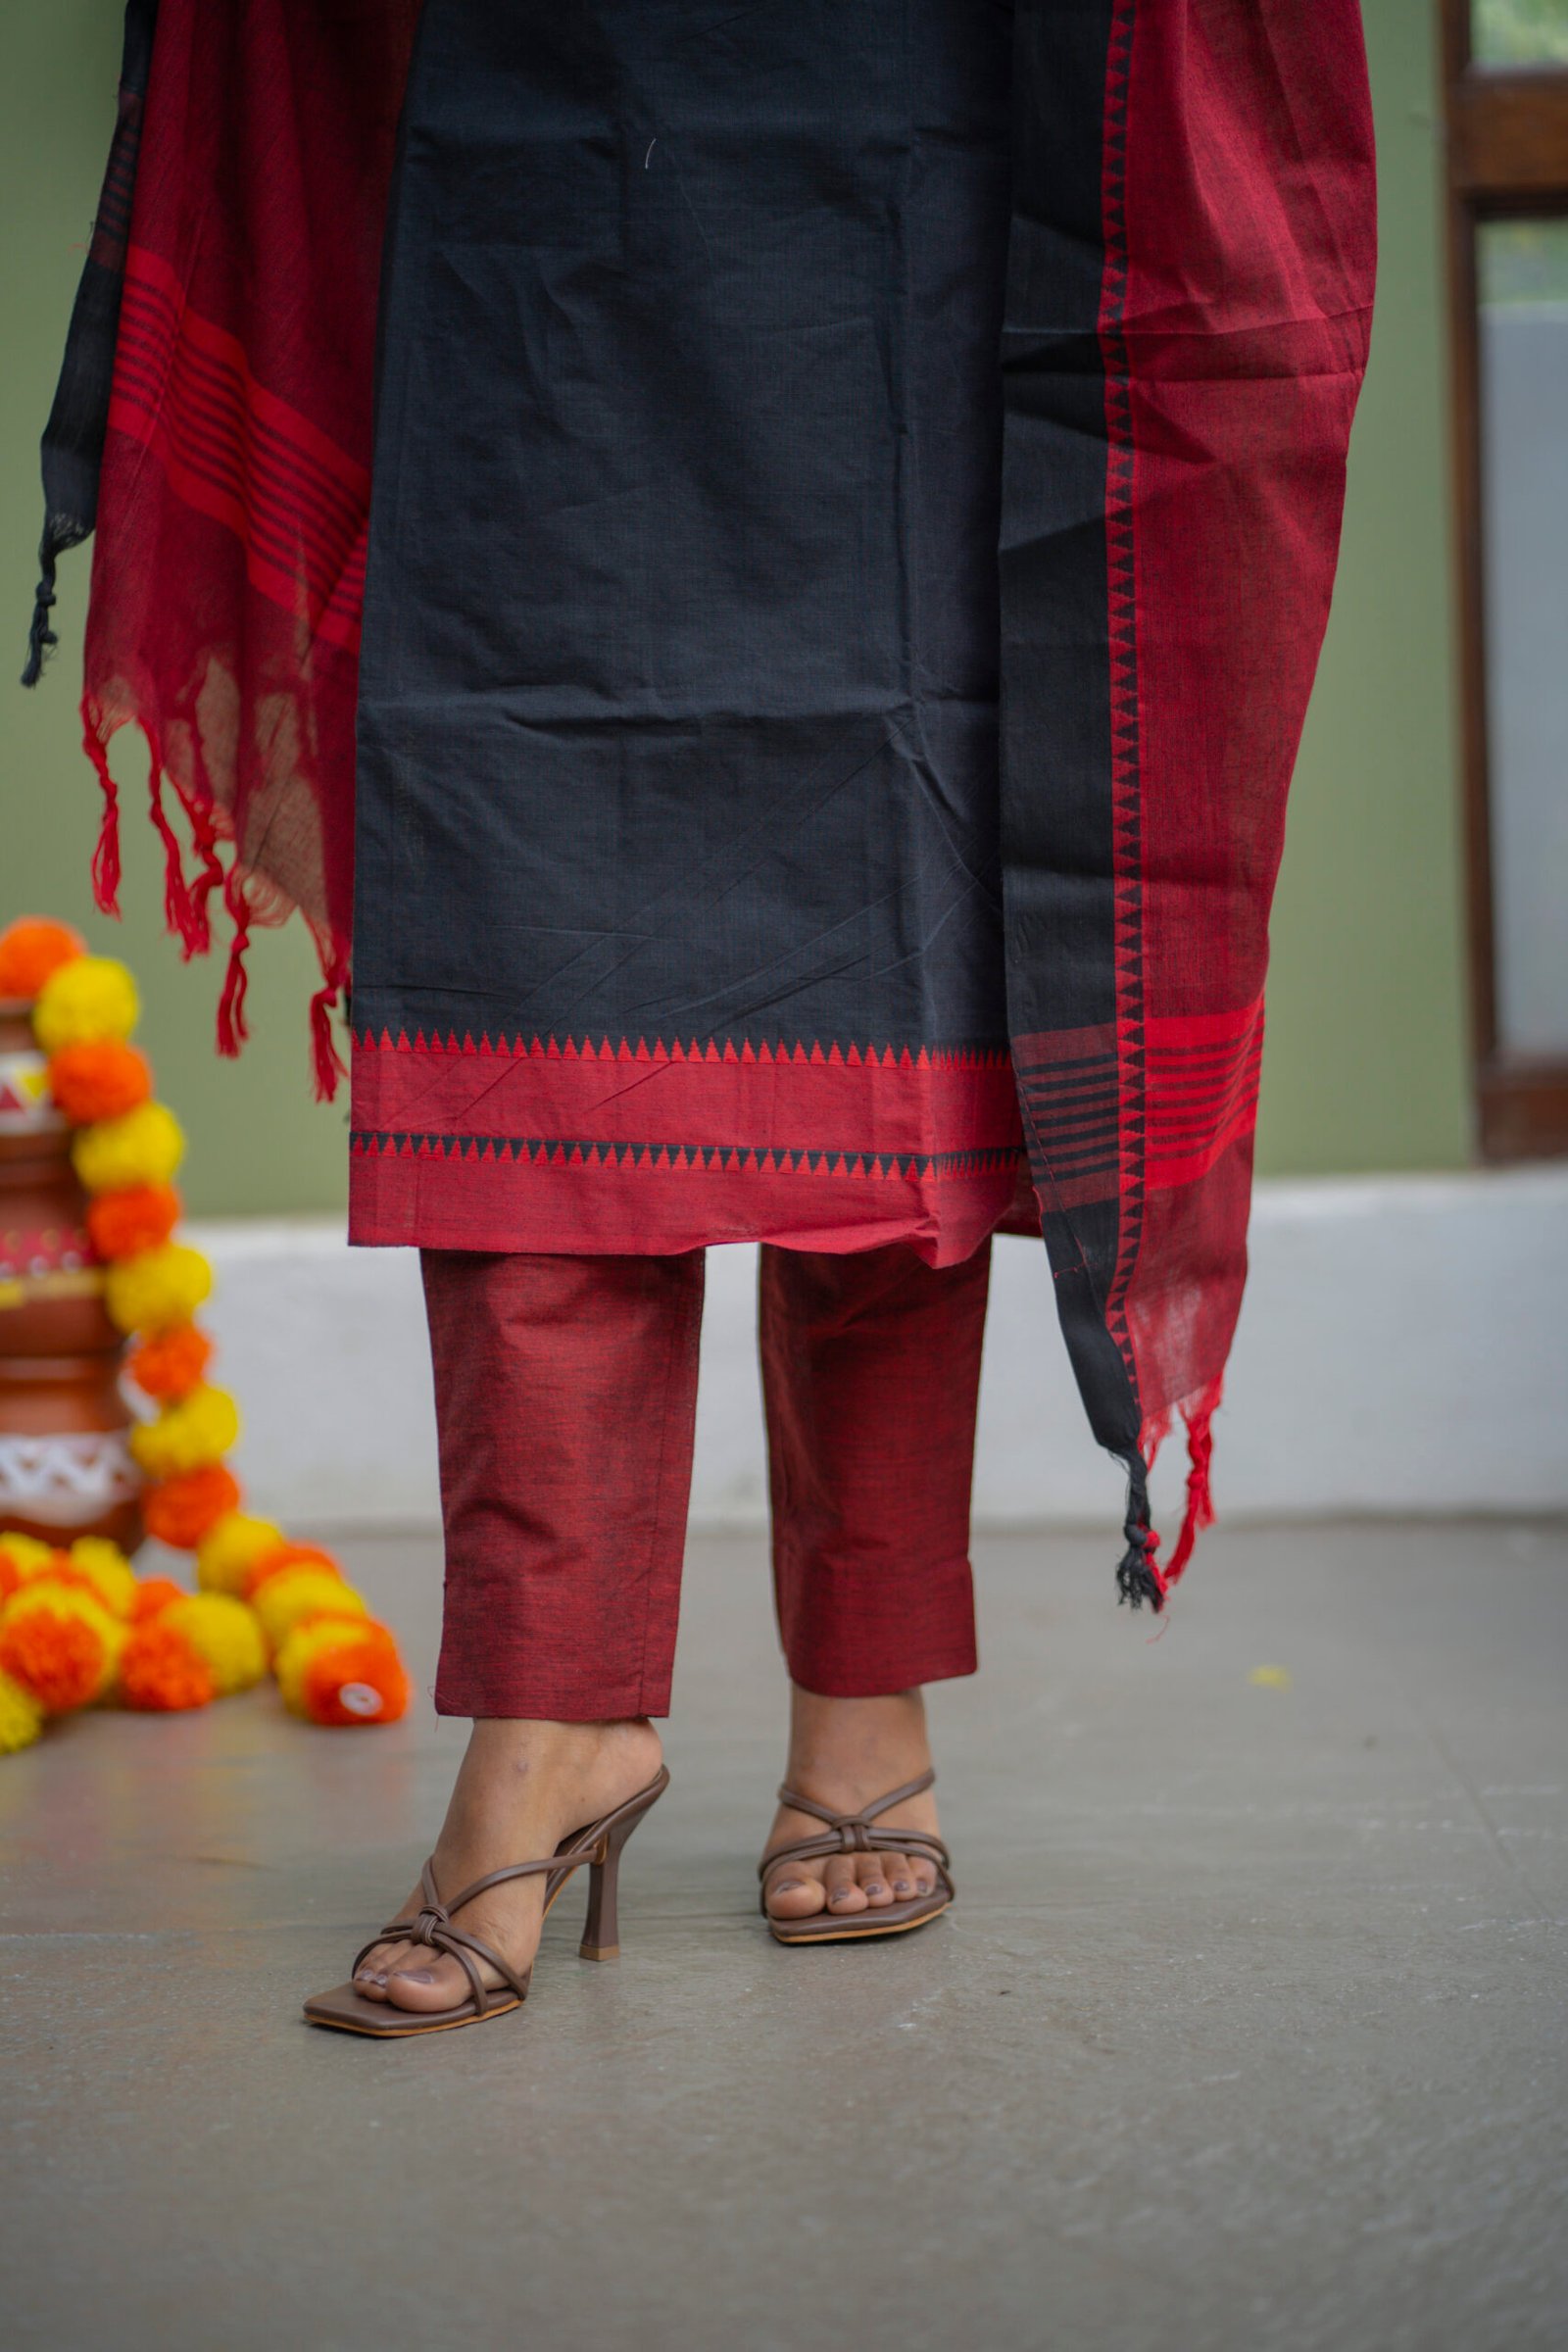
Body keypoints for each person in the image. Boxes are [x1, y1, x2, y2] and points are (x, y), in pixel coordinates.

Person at [27, 1, 1376, 2034]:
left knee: (888, 996)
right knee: (527, 953)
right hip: (533, 144)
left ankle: (862, 1689)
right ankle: (551, 1721)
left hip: (926, 125)